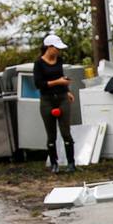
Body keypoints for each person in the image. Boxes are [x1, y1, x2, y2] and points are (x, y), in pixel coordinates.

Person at [34, 33, 75, 173]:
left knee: (66, 132)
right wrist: (58, 82)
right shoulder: (39, 64)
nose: (58, 51)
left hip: (62, 97)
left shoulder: (59, 60)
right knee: (51, 134)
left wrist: (67, 89)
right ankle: (54, 163)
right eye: (56, 48)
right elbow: (39, 84)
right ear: (49, 47)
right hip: (47, 99)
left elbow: (60, 76)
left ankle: (71, 163)